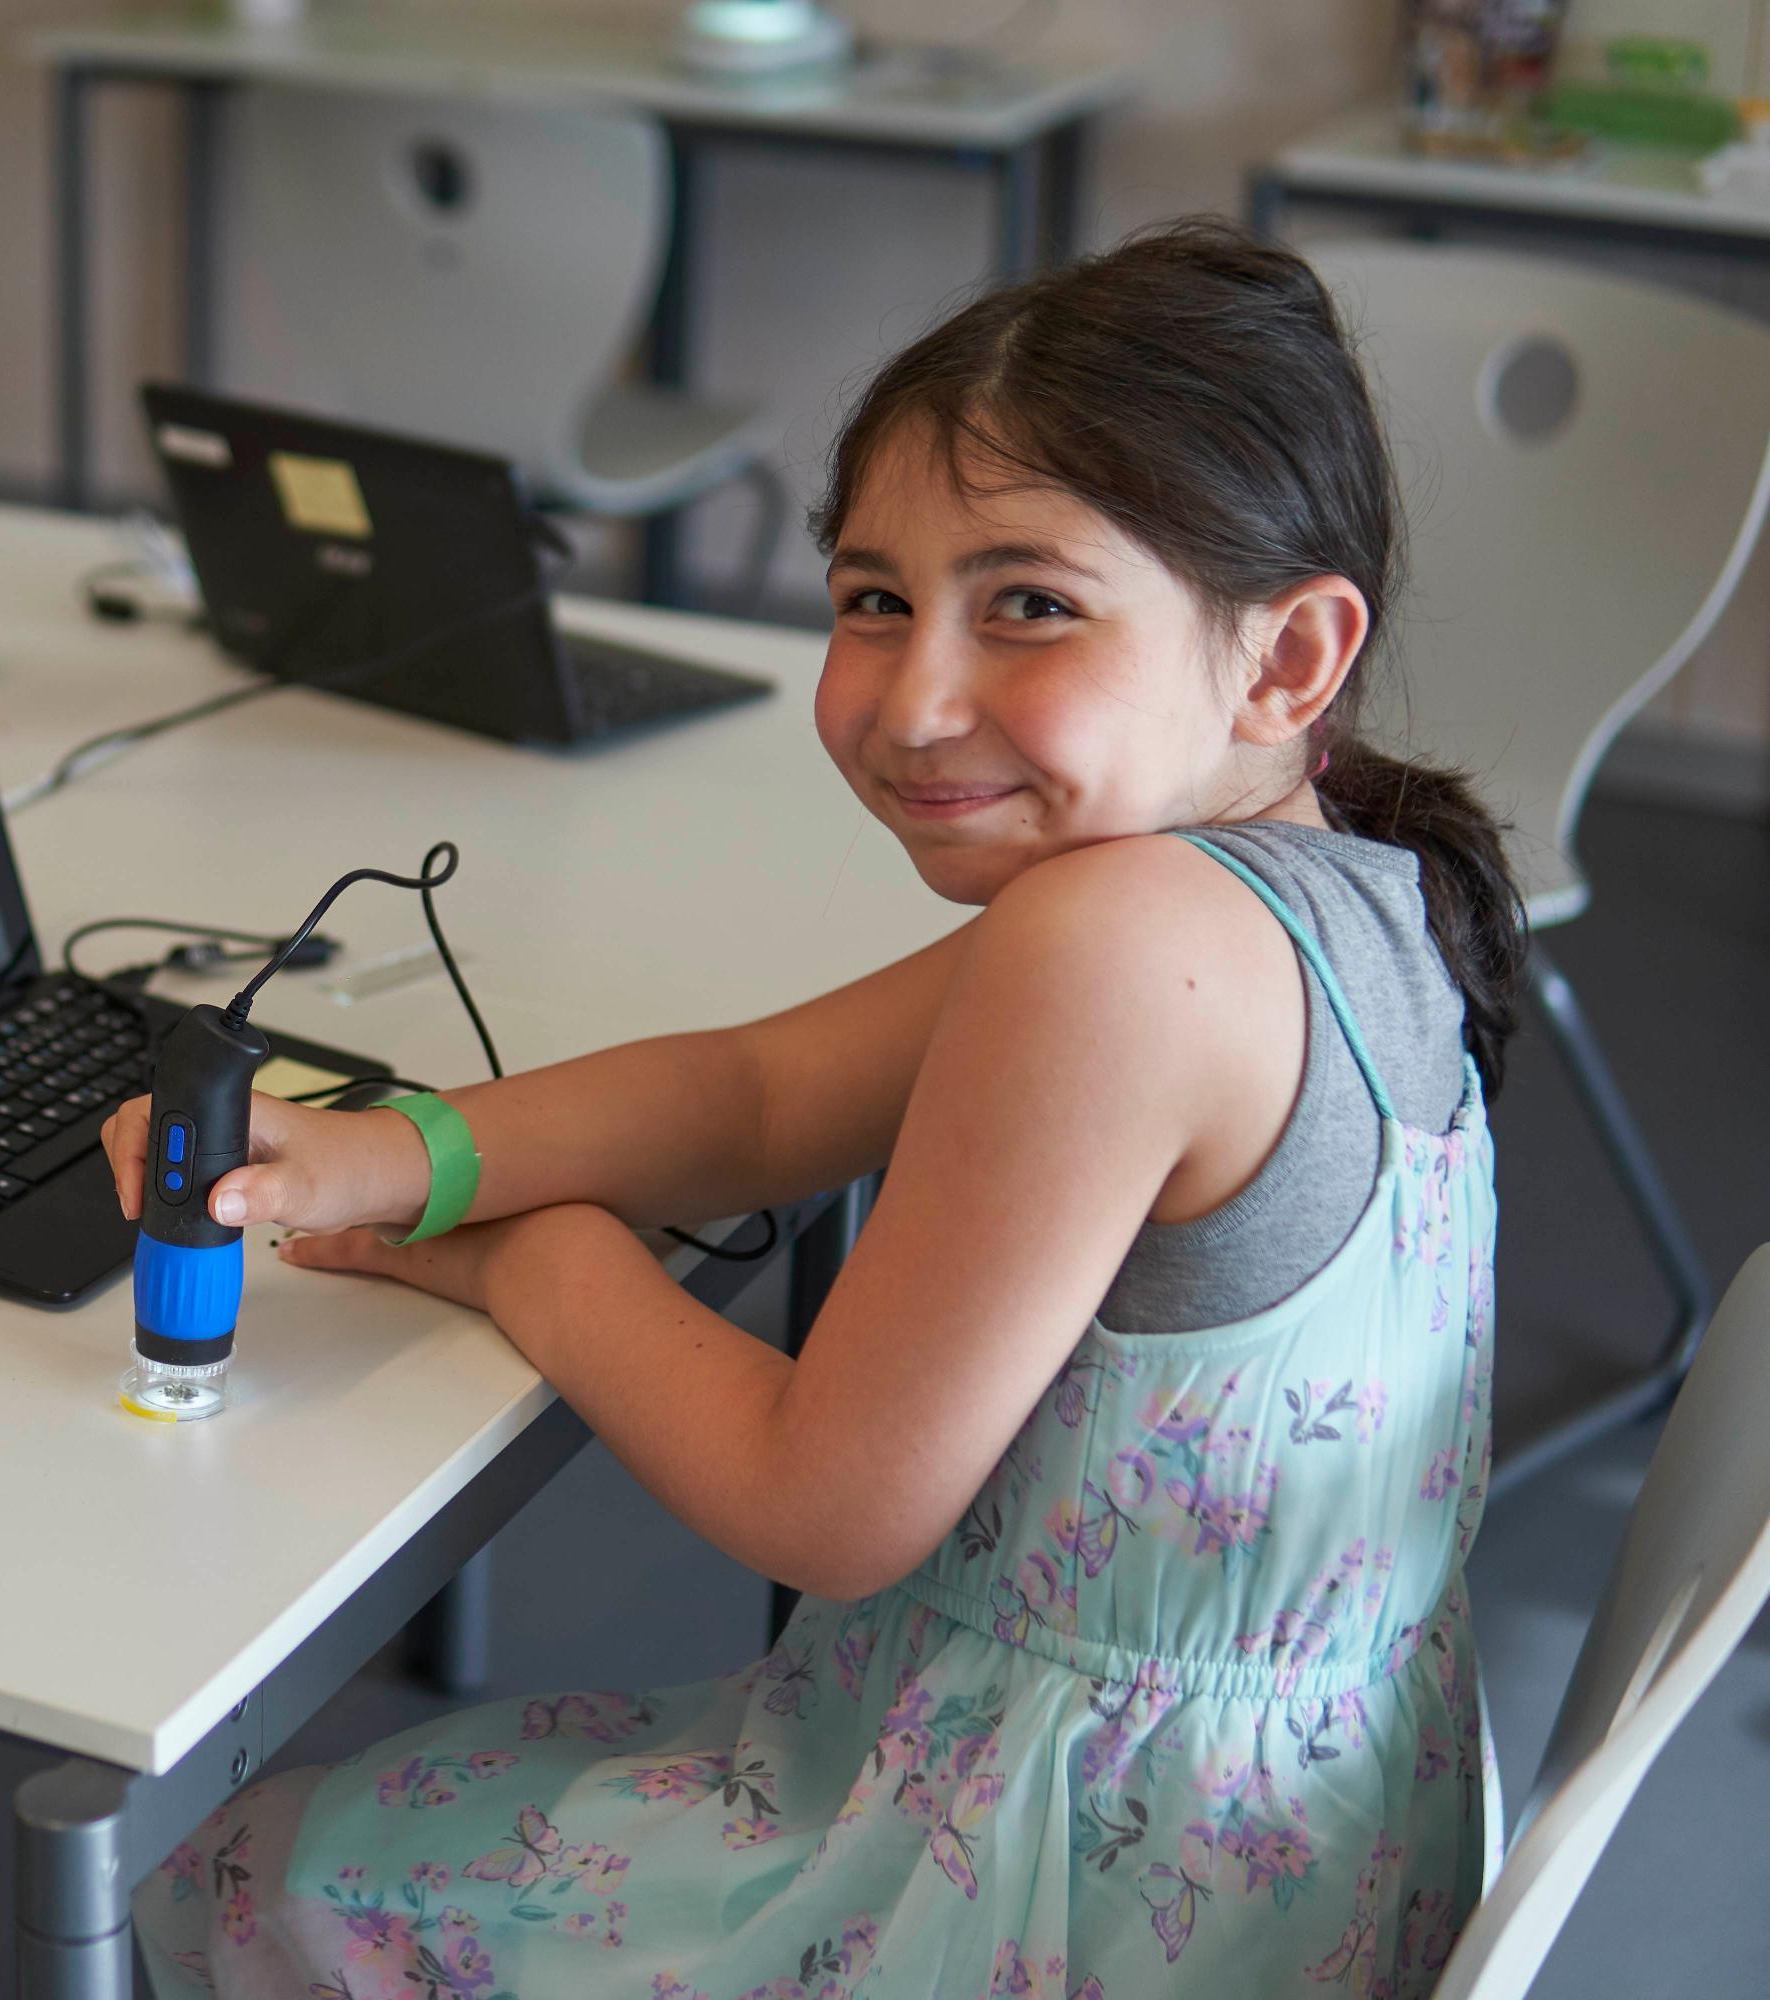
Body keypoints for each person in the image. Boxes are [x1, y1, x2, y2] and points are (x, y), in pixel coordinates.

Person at [114, 220, 1518, 1999]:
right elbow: (767, 1090)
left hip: (1039, 1900)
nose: (915, 700)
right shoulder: (1341, 884)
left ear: (1288, 658)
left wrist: (522, 1250)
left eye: (1030, 604)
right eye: (874, 600)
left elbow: (826, 1505)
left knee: (245, 1872)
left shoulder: (1118, 937)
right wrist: (403, 1152)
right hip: (1273, 1857)